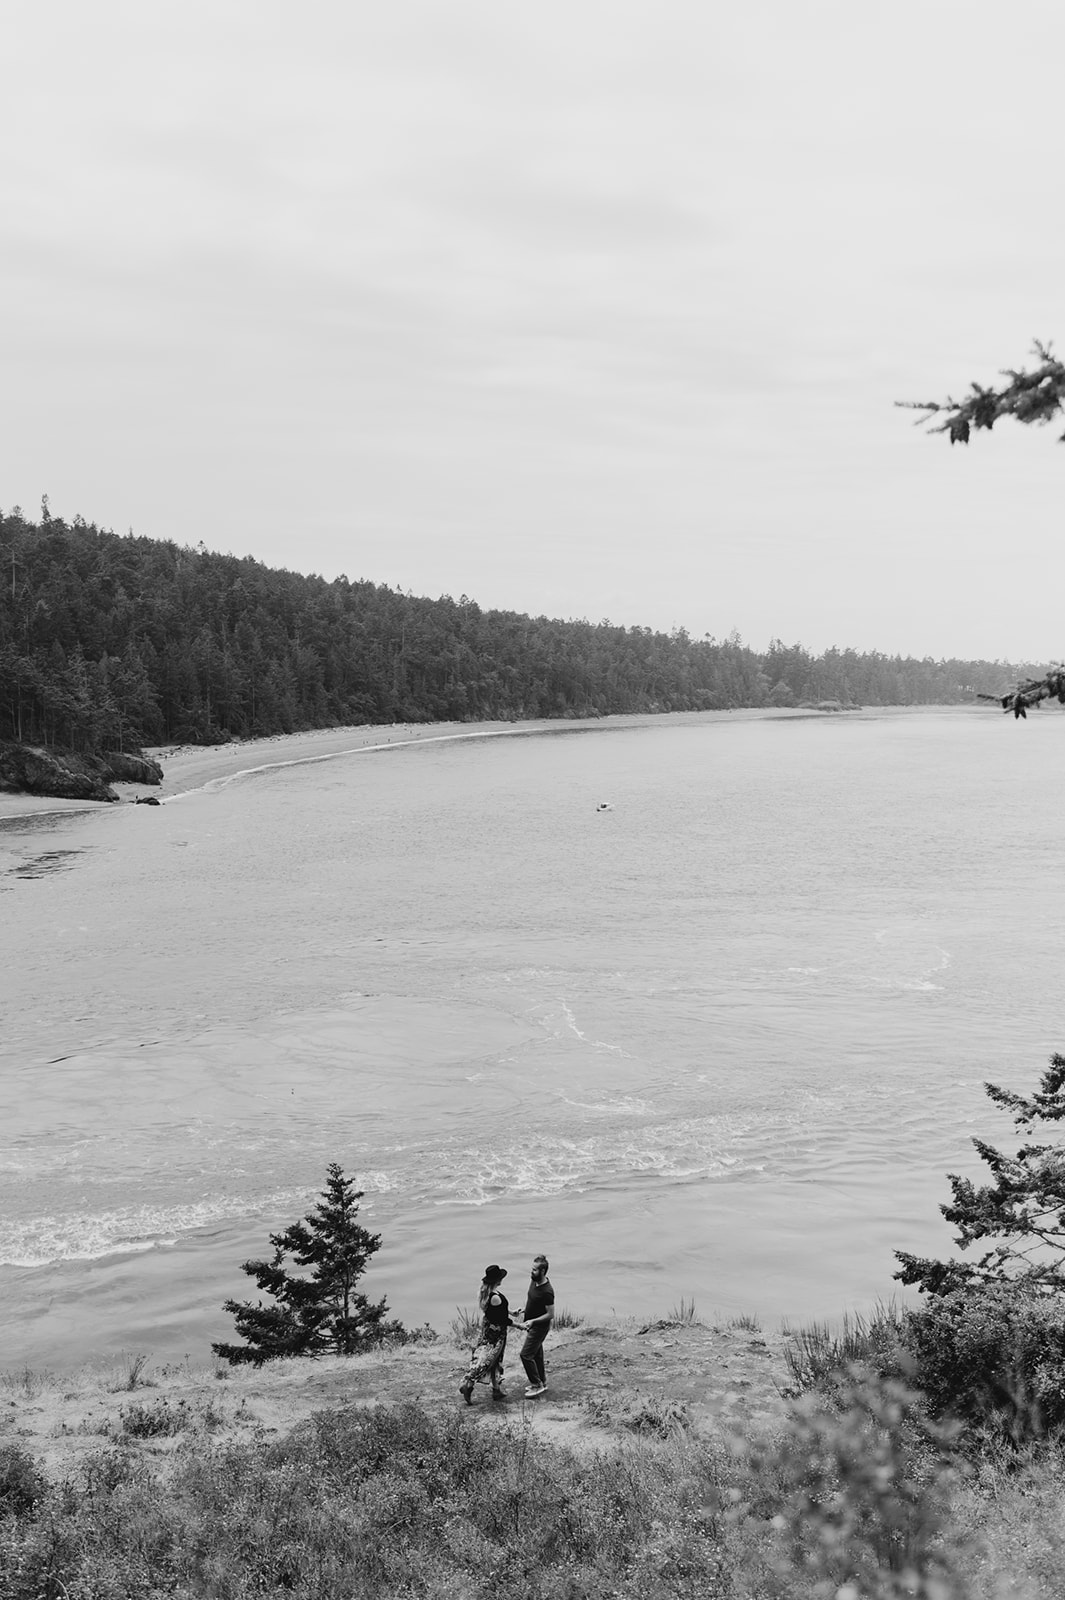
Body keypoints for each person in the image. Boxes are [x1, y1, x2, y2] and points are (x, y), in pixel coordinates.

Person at [459, 1265, 511, 1403]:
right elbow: (502, 1319)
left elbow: (499, 1312)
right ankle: (468, 1384)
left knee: (491, 1360)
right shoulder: (495, 1297)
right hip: (497, 1333)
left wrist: (511, 1312)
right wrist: (519, 1325)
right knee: (489, 1360)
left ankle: (496, 1390)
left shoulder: (488, 1294)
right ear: (497, 1280)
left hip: (488, 1330)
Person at [517, 1253, 554, 1398]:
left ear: (543, 1271)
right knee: (537, 1355)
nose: (531, 1272)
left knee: (525, 1355)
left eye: (534, 1270)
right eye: (532, 1269)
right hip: (532, 1326)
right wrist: (523, 1310)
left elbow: (550, 1314)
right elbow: (533, 1301)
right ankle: (542, 1382)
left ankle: (536, 1385)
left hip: (539, 1327)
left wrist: (533, 1321)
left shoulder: (547, 1291)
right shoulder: (534, 1281)